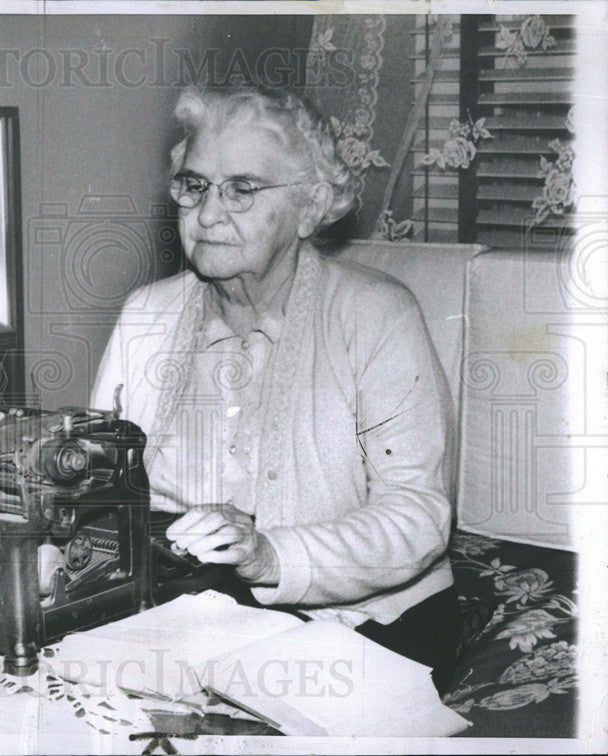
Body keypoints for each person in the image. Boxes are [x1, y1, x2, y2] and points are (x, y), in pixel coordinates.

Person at [91, 84, 461, 692]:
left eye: (242, 189)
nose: (209, 214)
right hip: (184, 607)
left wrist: (270, 555)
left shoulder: (377, 315)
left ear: (310, 207)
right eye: (195, 186)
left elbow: (418, 515)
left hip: (362, 621)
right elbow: (97, 478)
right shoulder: (145, 315)